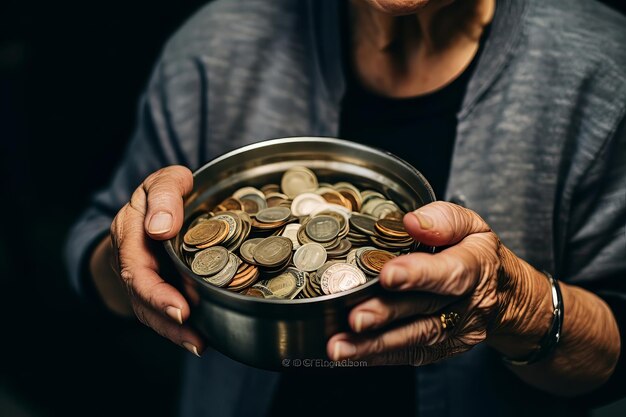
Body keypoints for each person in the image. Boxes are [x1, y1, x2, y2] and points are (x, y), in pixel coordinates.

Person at [65, 0, 626, 416]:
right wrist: (134, 260)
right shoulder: (214, 45)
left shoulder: (604, 72)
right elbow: (95, 247)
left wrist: (515, 302)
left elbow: (615, 359)